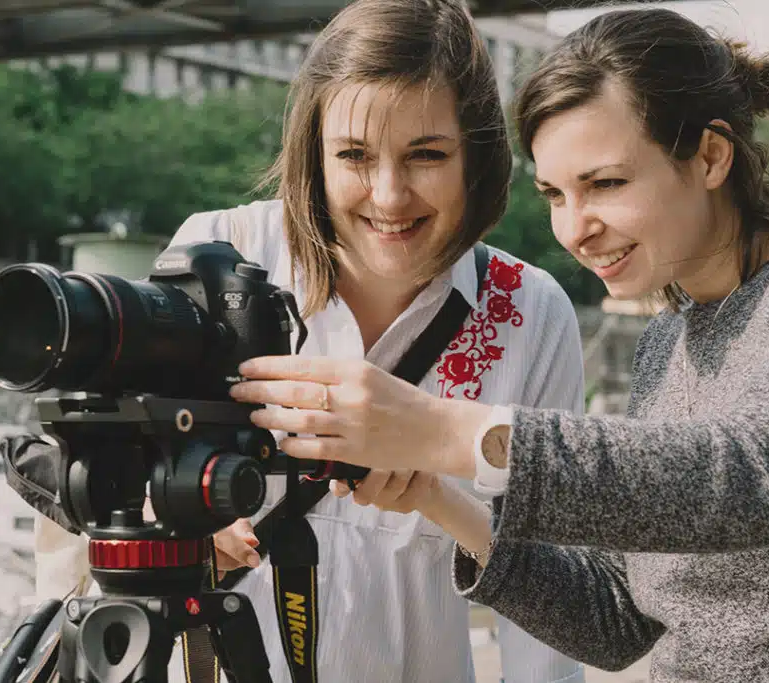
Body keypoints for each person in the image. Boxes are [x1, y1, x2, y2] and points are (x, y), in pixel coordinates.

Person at [227, 6, 769, 683]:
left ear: (711, 156)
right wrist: (439, 498)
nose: (575, 230)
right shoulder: (667, 346)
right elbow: (615, 618)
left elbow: (761, 475)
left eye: (605, 184)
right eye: (555, 194)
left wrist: (444, 427)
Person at [29, 0, 589, 681]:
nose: (389, 195)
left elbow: (546, 603)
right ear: (312, 151)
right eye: (354, 155)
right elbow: (104, 473)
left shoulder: (532, 312)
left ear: (477, 154)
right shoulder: (220, 253)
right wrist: (174, 527)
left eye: (427, 155)